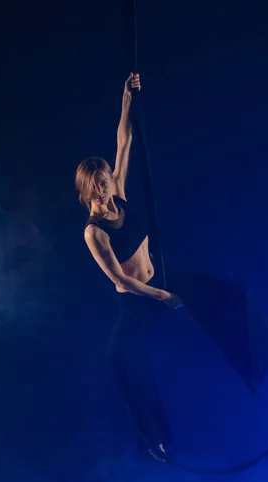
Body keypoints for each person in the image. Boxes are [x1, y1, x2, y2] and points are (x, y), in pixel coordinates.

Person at [75, 73, 182, 461]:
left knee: (211, 298)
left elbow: (124, 142)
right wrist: (162, 296)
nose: (105, 188)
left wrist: (126, 99)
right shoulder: (94, 231)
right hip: (139, 301)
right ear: (87, 190)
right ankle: (153, 438)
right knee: (121, 363)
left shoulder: (119, 193)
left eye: (106, 180)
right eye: (98, 185)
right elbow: (120, 279)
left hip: (160, 285)